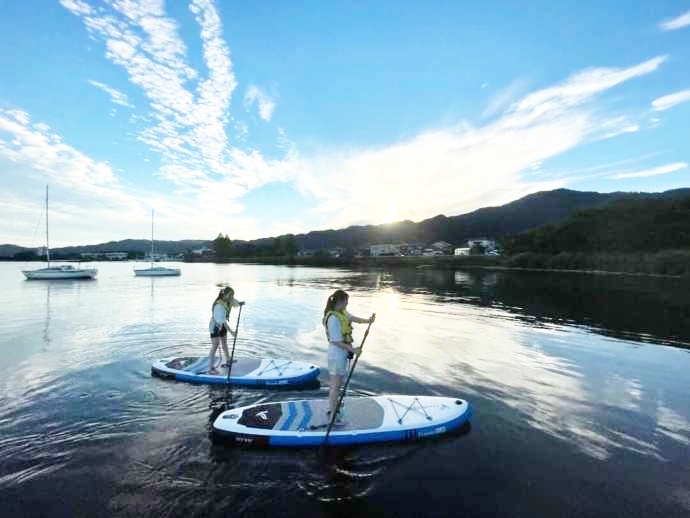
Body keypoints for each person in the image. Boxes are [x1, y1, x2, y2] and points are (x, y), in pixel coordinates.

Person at [322, 289, 375, 424]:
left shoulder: (342, 312)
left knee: (337, 385)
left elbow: (353, 318)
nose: (347, 305)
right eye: (346, 302)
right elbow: (335, 340)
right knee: (335, 386)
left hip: (341, 355)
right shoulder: (333, 318)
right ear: (339, 302)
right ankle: (333, 413)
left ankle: (334, 407)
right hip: (336, 356)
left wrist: (368, 321)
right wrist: (354, 350)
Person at [208, 286, 240, 374]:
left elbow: (235, 303)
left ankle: (228, 360)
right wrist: (232, 332)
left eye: (232, 295)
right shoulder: (219, 305)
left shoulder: (227, 300)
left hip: (222, 325)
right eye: (230, 295)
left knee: (224, 343)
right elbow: (223, 322)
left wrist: (240, 303)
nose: (231, 297)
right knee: (215, 346)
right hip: (215, 326)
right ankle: (210, 368)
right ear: (225, 295)